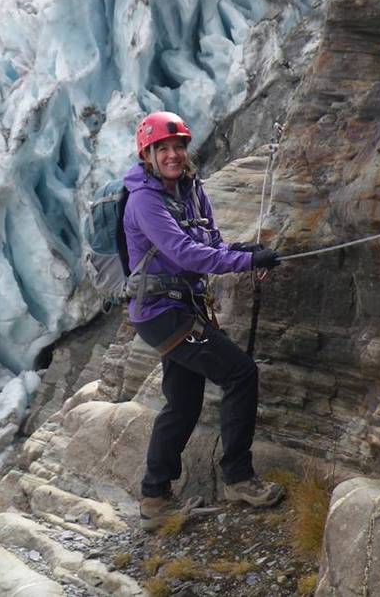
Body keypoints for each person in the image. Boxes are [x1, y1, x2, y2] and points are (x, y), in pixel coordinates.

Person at [123, 110, 285, 531]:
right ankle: (238, 477)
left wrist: (245, 250)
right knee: (240, 373)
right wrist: (246, 261)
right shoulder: (145, 200)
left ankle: (155, 498)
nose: (173, 154)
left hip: (182, 307)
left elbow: (210, 243)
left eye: (178, 146)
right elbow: (185, 254)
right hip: (162, 313)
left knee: (183, 403)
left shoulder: (191, 191)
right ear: (148, 154)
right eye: (163, 148)